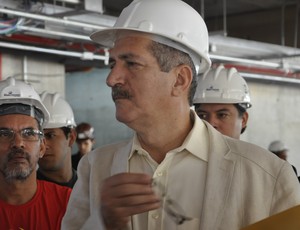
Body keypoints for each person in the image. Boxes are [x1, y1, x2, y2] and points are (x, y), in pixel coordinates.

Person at [62, 0, 300, 229]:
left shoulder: (269, 177)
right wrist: (103, 224)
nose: (111, 79)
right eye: (112, 64)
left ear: (180, 79)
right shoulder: (94, 168)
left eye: (131, 63)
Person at [0, 77, 71, 229]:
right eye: (4, 134)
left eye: (29, 133)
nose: (18, 143)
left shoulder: (70, 204)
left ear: (42, 147)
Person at [193, 64, 251, 139]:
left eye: (222, 115)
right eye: (202, 115)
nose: (210, 124)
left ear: (243, 120)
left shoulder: (255, 151)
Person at [37, 92, 78, 188]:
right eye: (36, 137)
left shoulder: (89, 188)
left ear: (71, 138)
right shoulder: (25, 195)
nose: (42, 145)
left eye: (50, 135)